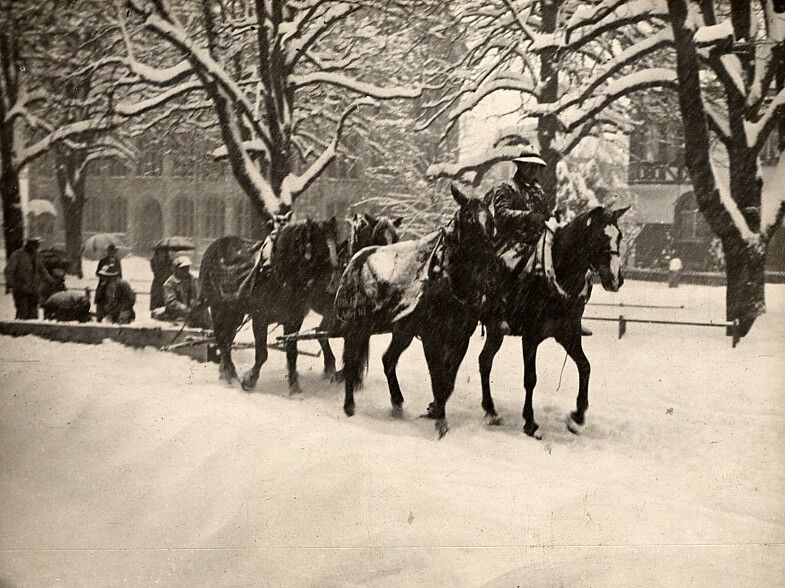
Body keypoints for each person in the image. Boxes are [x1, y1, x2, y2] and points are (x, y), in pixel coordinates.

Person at [4, 237, 55, 320]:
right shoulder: (17, 255)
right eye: (36, 245)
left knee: (34, 314)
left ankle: (32, 331)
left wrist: (50, 280)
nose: (37, 247)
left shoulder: (36, 255)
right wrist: (11, 283)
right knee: (22, 313)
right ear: (30, 244)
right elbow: (9, 270)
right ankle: (20, 330)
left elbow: (42, 269)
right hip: (21, 290)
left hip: (34, 290)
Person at [152, 256, 209, 327]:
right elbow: (172, 303)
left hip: (197, 315)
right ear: (176, 269)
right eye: (182, 268)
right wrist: (187, 310)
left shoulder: (194, 280)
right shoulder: (170, 283)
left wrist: (201, 303)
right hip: (178, 316)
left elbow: (201, 295)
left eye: (187, 267)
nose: (186, 270)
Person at [95, 243, 122, 311]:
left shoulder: (117, 262)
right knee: (101, 296)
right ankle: (100, 312)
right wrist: (104, 274)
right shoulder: (102, 261)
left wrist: (116, 277)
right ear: (107, 252)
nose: (112, 253)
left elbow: (120, 274)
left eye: (113, 252)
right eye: (110, 251)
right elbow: (98, 272)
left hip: (114, 282)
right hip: (104, 282)